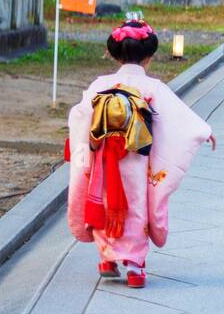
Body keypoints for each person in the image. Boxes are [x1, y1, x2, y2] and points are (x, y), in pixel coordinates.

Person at [65, 20, 214, 288]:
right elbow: (179, 120)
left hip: (103, 159)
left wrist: (83, 144)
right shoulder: (154, 88)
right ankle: (134, 267)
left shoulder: (100, 84)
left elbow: (79, 116)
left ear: (113, 54)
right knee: (135, 207)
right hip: (137, 161)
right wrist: (203, 131)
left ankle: (106, 259)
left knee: (103, 200)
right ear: (149, 58)